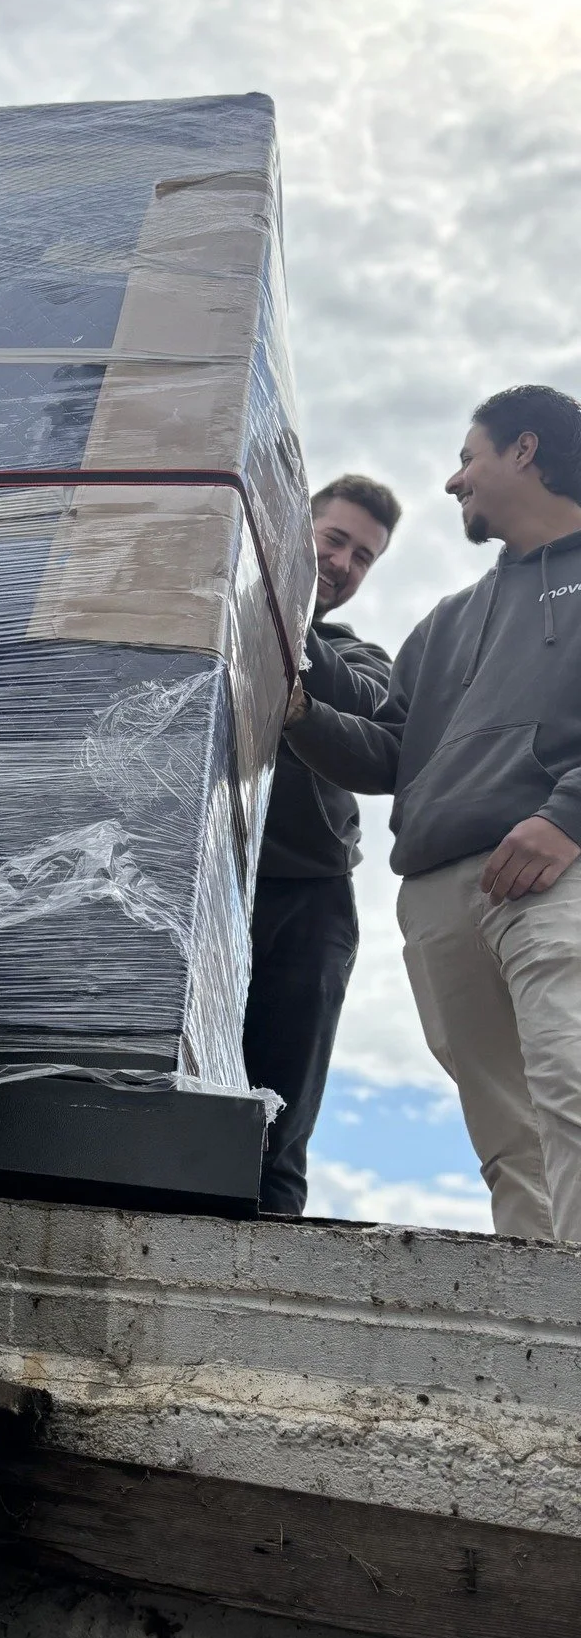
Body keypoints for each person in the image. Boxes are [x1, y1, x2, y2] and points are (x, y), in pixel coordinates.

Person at [286, 386, 581, 1242]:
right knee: (507, 1142)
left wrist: (569, 816)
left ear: (523, 451)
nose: (456, 483)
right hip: (436, 899)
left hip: (552, 876)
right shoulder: (444, 623)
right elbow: (388, 754)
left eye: (467, 458)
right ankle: (541, 1343)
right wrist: (299, 714)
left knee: (570, 1091)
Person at [244, 475, 399, 1216]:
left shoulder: (359, 655)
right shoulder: (217, 610)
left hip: (309, 902)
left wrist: (280, 593)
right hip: (200, 890)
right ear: (295, 527)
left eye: (363, 556)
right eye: (333, 539)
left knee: (281, 1123)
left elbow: (364, 706)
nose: (343, 562)